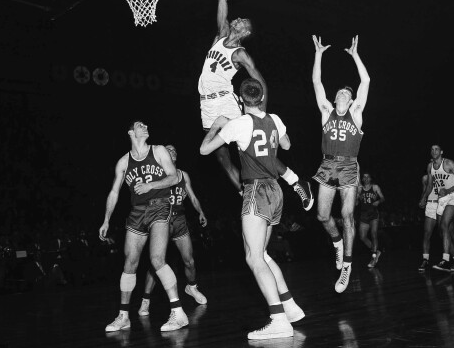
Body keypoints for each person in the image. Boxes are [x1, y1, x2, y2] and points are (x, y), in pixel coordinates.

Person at [197, 0, 313, 211]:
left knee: (250, 146)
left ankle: (295, 181)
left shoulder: (241, 54)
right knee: (221, 157)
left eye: (242, 21)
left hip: (226, 101)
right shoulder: (221, 34)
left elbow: (260, 80)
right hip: (207, 104)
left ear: (245, 32)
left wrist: (262, 112)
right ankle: (244, 192)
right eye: (237, 18)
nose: (237, 19)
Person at [200, 78, 305, 340]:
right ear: (261, 97)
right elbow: (287, 145)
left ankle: (278, 320)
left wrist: (216, 126)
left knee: (254, 258)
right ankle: (290, 307)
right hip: (276, 191)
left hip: (256, 190)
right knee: (263, 254)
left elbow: (204, 150)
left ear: (240, 98)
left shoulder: (238, 124)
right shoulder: (275, 119)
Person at [99, 121, 188, 333]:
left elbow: (174, 176)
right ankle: (123, 317)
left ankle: (179, 312)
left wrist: (150, 185)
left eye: (147, 124)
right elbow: (114, 192)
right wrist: (106, 220)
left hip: (160, 206)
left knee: (157, 259)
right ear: (131, 132)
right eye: (140, 125)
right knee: (129, 262)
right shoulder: (123, 162)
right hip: (137, 211)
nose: (146, 126)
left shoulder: (158, 151)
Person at [311, 34, 370, 293]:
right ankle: (336, 243)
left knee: (347, 215)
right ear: (335, 100)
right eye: (340, 92)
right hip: (327, 165)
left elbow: (366, 80)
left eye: (347, 92)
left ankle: (347, 265)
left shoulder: (356, 114)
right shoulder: (326, 111)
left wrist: (355, 55)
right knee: (323, 216)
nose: (343, 93)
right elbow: (316, 81)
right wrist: (319, 54)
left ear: (352, 99)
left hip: (348, 167)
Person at [138, 144, 209, 316]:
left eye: (175, 150)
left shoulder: (183, 175)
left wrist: (200, 212)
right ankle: (145, 300)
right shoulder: (157, 176)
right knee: (157, 263)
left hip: (179, 219)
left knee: (189, 260)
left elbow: (191, 196)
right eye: (169, 150)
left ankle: (191, 288)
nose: (173, 152)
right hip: (161, 219)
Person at [419, 145, 454, 272]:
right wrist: (424, 197)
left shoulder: (448, 163)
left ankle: (445, 260)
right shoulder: (430, 167)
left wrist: (448, 190)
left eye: (436, 149)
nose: (434, 151)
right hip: (442, 198)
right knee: (442, 229)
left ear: (441, 152)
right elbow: (429, 185)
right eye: (432, 149)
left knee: (445, 226)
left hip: (453, 195)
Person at [355, 172, 385, 268]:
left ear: (370, 178)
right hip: (364, 215)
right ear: (362, 179)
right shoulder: (360, 189)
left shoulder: (375, 187)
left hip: (373, 214)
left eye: (368, 176)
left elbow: (383, 198)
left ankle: (374, 257)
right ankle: (376, 251)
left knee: (373, 234)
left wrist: (378, 201)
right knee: (362, 237)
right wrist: (355, 199)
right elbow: (356, 203)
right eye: (364, 177)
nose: (366, 178)